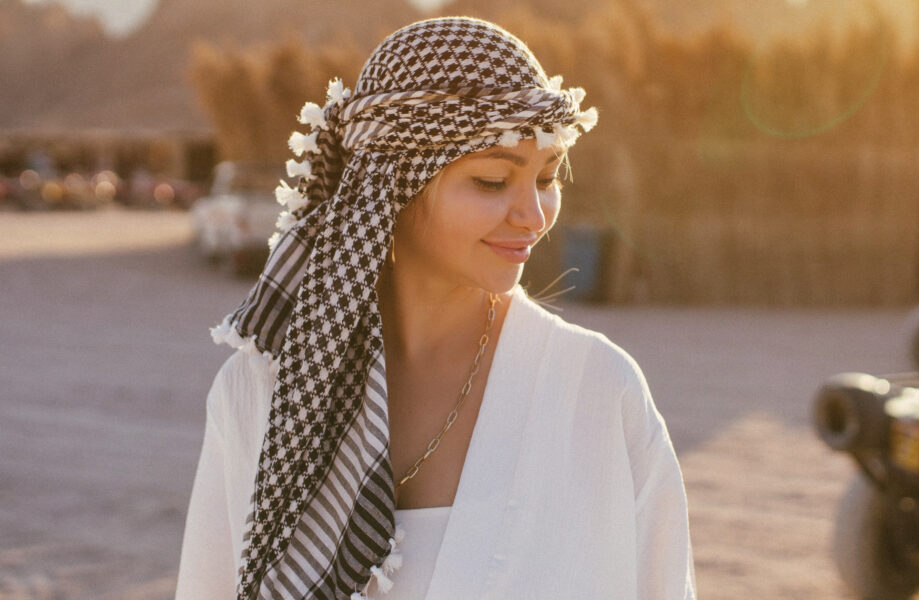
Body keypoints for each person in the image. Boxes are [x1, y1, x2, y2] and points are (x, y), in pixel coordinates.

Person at [175, 16, 696, 600]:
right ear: (390, 185)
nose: (534, 214)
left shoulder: (598, 390)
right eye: (494, 181)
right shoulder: (260, 393)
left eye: (547, 178)